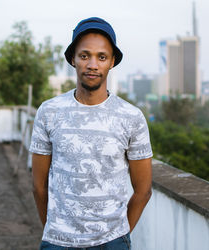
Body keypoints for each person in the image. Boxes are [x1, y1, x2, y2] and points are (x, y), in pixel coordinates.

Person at [29, 17, 153, 250]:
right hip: (58, 241)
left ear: (112, 61)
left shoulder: (131, 117)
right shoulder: (49, 111)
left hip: (112, 242)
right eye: (84, 55)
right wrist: (56, 231)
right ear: (73, 60)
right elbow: (38, 186)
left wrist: (119, 235)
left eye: (102, 57)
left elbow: (143, 191)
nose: (93, 64)